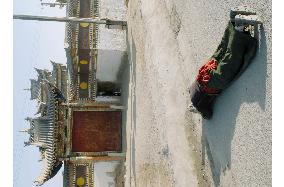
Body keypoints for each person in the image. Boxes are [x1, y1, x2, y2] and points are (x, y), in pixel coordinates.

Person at [189, 6, 262, 119]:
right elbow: (193, 90)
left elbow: (208, 116)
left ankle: (240, 27)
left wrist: (201, 112)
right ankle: (233, 20)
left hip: (212, 83)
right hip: (205, 72)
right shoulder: (191, 91)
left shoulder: (199, 106)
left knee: (232, 61)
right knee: (222, 49)